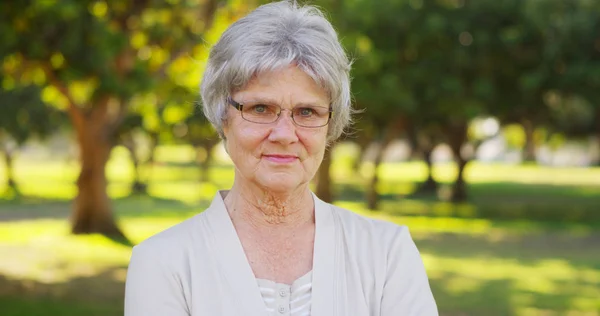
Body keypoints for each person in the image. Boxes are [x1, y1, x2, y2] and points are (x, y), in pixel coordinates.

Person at [124, 1, 438, 315]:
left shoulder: (386, 254)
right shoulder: (163, 263)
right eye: (261, 108)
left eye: (307, 111)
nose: (285, 134)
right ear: (223, 117)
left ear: (330, 124)